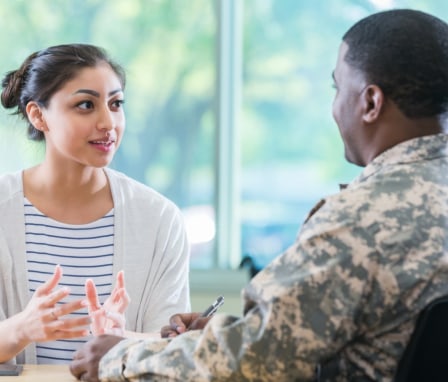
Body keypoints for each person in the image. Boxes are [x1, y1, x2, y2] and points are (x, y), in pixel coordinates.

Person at [70, 8, 448, 381]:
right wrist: (228, 334)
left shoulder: (360, 220)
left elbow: (257, 359)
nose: (335, 107)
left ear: (370, 102)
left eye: (338, 88)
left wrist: (121, 357)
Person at [0, 44, 190, 365]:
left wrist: (122, 341)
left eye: (116, 104)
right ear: (38, 114)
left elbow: (173, 351)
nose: (108, 122)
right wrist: (21, 330)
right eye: (86, 105)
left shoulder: (159, 219)